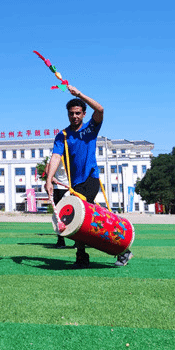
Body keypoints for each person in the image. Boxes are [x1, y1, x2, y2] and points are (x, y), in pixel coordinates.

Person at [45, 85, 132, 268]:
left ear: (84, 113)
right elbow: (55, 157)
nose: (74, 116)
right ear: (67, 115)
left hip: (91, 178)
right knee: (80, 220)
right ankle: (83, 255)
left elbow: (100, 109)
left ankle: (122, 250)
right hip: (74, 183)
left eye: (78, 113)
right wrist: (48, 179)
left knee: (84, 216)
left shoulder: (90, 129)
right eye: (71, 113)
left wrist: (80, 94)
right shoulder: (63, 136)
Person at [45, 160, 71, 248]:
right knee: (59, 215)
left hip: (71, 187)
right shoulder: (54, 153)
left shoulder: (72, 151)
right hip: (58, 187)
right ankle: (61, 240)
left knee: (74, 213)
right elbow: (47, 168)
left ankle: (78, 242)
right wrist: (51, 177)